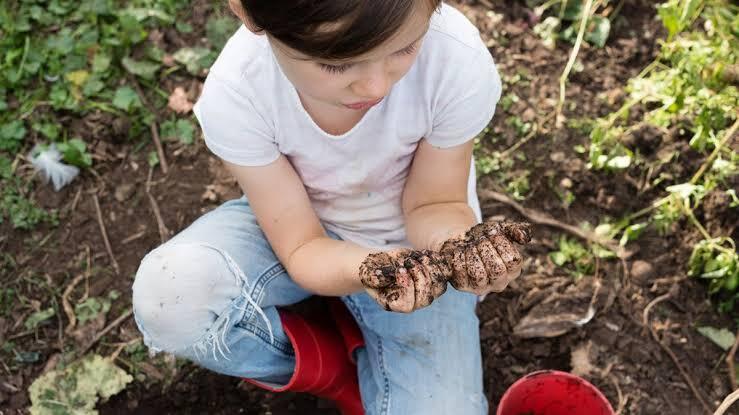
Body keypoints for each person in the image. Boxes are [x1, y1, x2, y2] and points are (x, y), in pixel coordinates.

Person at [132, 0, 530, 413]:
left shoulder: (453, 60)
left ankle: (373, 361)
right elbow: (301, 243)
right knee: (173, 296)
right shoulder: (239, 93)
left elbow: (436, 202)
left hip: (416, 262)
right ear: (247, 12)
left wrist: (461, 247)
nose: (376, 86)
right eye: (337, 65)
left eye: (404, 48)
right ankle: (331, 372)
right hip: (297, 229)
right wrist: (365, 270)